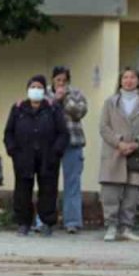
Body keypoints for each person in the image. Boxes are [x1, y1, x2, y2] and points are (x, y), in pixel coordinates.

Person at [4, 75, 68, 236]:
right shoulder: (18, 109)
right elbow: (9, 132)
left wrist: (56, 151)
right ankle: (23, 222)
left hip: (48, 156)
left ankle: (47, 222)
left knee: (48, 190)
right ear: (27, 90)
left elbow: (63, 133)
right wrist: (13, 151)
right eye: (33, 87)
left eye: (39, 87)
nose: (36, 90)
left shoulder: (53, 108)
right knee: (22, 190)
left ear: (45, 90)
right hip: (24, 156)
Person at [98, 68, 139, 242]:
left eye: (132, 77)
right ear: (120, 80)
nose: (129, 80)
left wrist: (137, 143)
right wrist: (119, 143)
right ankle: (111, 226)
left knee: (132, 194)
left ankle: (126, 227)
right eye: (125, 77)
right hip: (114, 152)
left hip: (136, 153)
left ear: (138, 80)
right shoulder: (110, 102)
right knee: (110, 193)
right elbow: (104, 127)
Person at [52, 66, 88, 234]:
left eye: (64, 80)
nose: (61, 83)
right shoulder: (44, 93)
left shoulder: (76, 94)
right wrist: (55, 99)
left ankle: (72, 221)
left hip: (73, 142)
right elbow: (42, 110)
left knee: (72, 183)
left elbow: (79, 112)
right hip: (50, 144)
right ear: (53, 80)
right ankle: (44, 220)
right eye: (58, 79)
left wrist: (65, 98)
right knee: (48, 183)